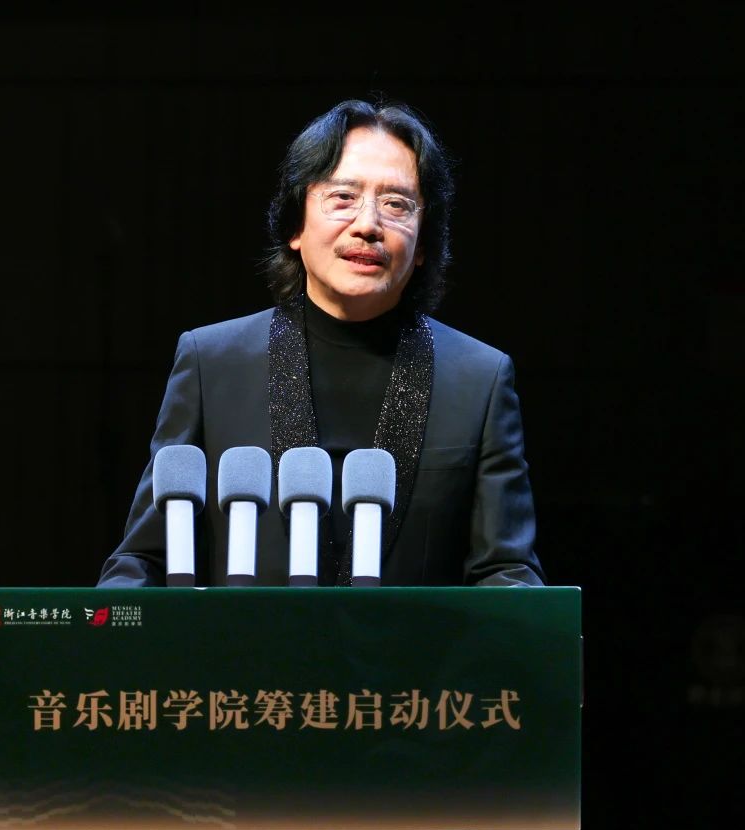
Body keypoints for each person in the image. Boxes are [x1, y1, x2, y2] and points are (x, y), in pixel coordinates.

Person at [98, 98, 544, 590]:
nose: (368, 225)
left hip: (413, 644)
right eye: (343, 197)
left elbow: (506, 571)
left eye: (396, 204)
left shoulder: (480, 379)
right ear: (295, 225)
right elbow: (144, 557)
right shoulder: (212, 363)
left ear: (422, 245)